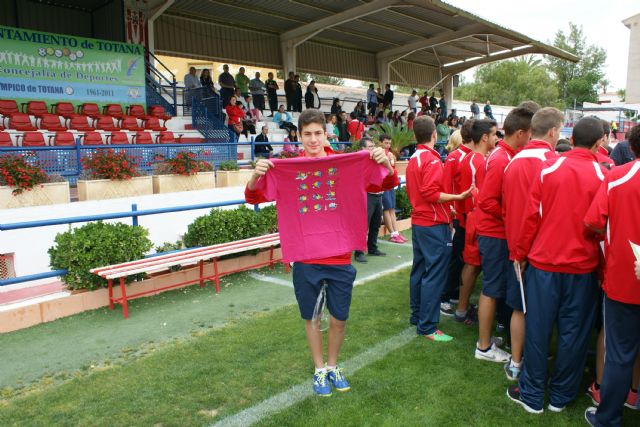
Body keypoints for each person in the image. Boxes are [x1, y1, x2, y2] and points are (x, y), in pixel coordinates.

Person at [244, 108, 396, 397]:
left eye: (317, 133)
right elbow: (253, 196)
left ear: (326, 134)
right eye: (307, 134)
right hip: (305, 258)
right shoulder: (287, 168)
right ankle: (319, 369)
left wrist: (385, 162)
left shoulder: (347, 163)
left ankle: (333, 365)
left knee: (339, 317)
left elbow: (385, 183)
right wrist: (254, 177)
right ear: (299, 137)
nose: (313, 139)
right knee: (311, 318)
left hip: (339, 256)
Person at [507, 117, 607, 415]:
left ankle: (533, 393)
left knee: (538, 330)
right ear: (600, 142)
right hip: (581, 269)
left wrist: (520, 254)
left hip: (546, 266)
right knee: (573, 333)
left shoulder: (549, 169)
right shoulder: (603, 175)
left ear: (570, 138)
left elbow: (530, 218)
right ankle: (559, 396)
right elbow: (603, 230)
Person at [584, 125, 640, 426]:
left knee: (619, 351)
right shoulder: (618, 176)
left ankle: (608, 417)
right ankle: (632, 395)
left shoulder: (617, 177)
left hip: (624, 280)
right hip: (624, 279)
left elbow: (593, 221)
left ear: (631, 145)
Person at [474, 106, 537, 375]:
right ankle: (484, 346)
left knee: (494, 287)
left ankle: (487, 341)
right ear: (521, 133)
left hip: (498, 232)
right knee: (491, 288)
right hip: (494, 233)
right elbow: (487, 201)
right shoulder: (501, 159)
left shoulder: (507, 155)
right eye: (531, 133)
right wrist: (511, 217)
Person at [406, 115, 473, 342]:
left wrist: (449, 207)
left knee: (419, 270)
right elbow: (431, 193)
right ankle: (428, 326)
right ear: (434, 135)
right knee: (434, 275)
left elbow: (423, 194)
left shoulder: (415, 157)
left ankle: (417, 316)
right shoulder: (432, 160)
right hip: (433, 224)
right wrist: (458, 197)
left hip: (420, 222)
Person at [441, 121, 475, 319]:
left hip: (467, 215)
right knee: (456, 256)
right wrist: (451, 208)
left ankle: (453, 292)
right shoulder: (456, 157)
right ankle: (444, 296)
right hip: (458, 214)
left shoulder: (472, 156)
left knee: (462, 256)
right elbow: (446, 186)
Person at [354, 137, 399, 263]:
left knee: (375, 224)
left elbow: (390, 176)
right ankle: (359, 252)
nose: (373, 149)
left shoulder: (378, 159)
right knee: (363, 225)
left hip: (378, 194)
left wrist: (388, 161)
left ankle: (372, 248)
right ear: (362, 149)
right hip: (367, 196)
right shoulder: (360, 161)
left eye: (373, 146)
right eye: (370, 147)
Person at [379, 134, 406, 244]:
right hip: (382, 185)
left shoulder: (390, 154)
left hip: (390, 185)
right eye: (386, 143)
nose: (388, 145)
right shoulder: (379, 154)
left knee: (392, 209)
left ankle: (396, 232)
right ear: (380, 143)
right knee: (386, 209)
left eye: (389, 143)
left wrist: (392, 158)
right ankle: (393, 234)